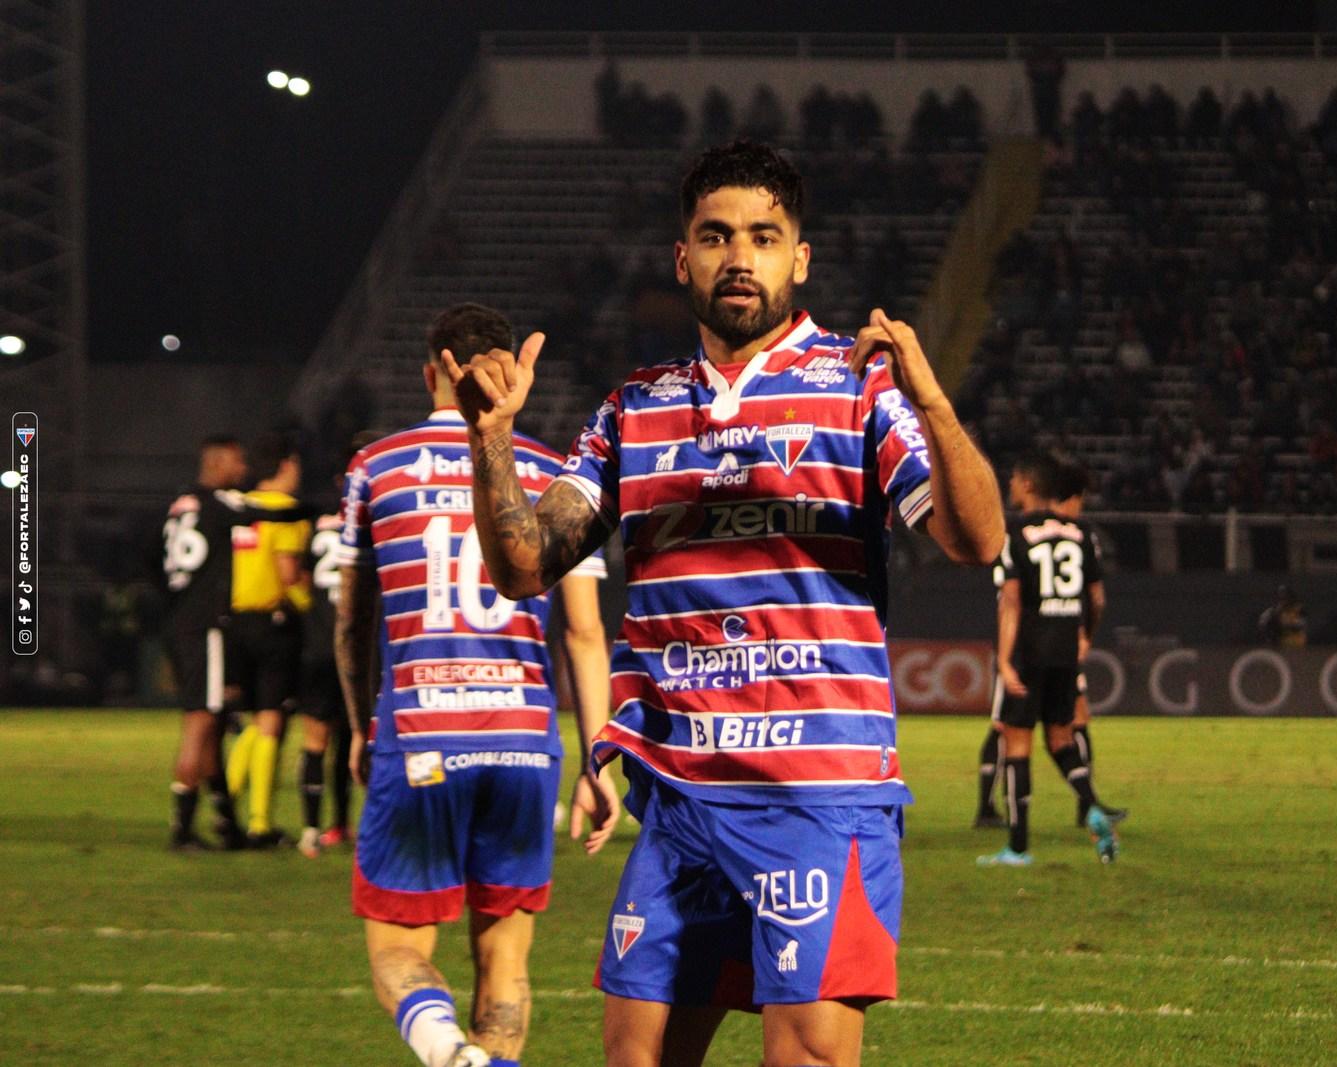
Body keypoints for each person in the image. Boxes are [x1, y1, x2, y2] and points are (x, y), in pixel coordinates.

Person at [442, 141, 1004, 1067]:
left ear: (800, 258)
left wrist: (935, 407)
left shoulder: (859, 389)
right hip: (681, 804)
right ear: (683, 258)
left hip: (817, 797)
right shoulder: (634, 410)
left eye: (764, 236)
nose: (739, 257)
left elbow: (974, 538)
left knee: (806, 1058)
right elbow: (525, 567)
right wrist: (492, 440)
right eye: (716, 236)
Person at [337, 303, 619, 1067]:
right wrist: (599, 759)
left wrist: (364, 727)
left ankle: (444, 1051)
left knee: (397, 948)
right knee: (506, 963)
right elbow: (586, 633)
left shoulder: (375, 468)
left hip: (422, 733)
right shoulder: (558, 473)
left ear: (433, 369)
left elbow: (352, 624)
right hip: (526, 742)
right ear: (507, 371)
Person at [977, 455, 1122, 868]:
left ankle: (1018, 848)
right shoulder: (1082, 532)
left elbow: (1011, 601)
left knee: (1015, 743)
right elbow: (1097, 598)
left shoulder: (1016, 532)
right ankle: (1092, 806)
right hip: (1065, 650)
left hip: (1029, 649)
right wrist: (1086, 639)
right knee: (1061, 739)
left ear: (1030, 487)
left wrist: (1004, 661)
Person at [160, 435, 258, 850]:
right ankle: (181, 828)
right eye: (236, 461)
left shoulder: (180, 504)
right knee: (200, 722)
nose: (243, 469)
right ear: (217, 463)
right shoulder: (219, 504)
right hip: (204, 627)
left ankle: (227, 822)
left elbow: (150, 559)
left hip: (179, 620)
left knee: (214, 721)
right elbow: (265, 513)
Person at [221, 432, 313, 847]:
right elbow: (287, 573)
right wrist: (313, 605)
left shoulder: (237, 507)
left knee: (251, 720)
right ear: (288, 464)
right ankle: (259, 822)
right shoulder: (287, 512)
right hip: (273, 624)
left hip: (233, 621)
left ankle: (226, 806)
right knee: (271, 719)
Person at [294, 436, 379, 857]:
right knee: (359, 735)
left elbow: (300, 578)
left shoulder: (318, 524)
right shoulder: (380, 518)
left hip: (316, 641)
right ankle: (351, 826)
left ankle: (312, 829)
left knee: (316, 739)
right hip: (361, 645)